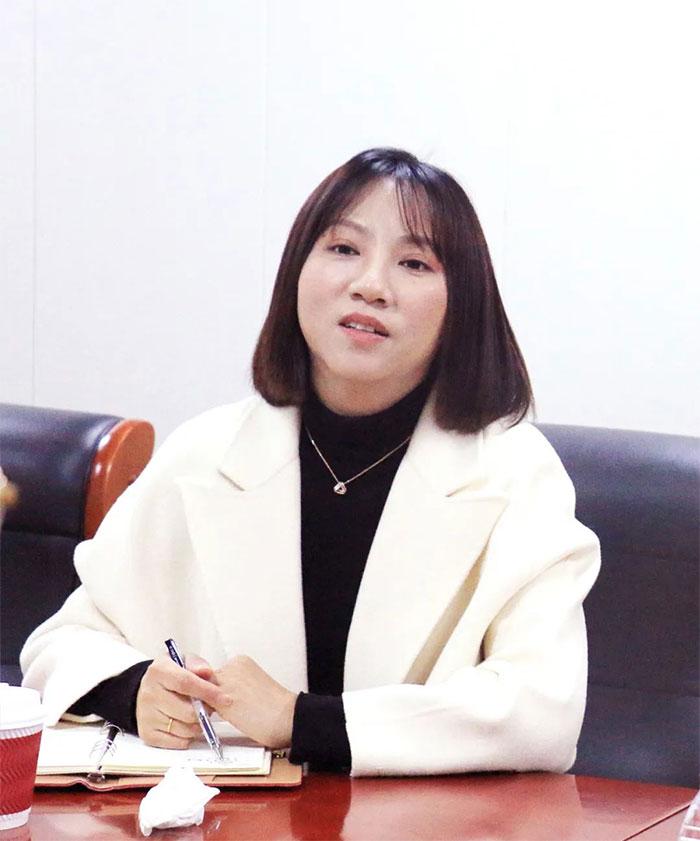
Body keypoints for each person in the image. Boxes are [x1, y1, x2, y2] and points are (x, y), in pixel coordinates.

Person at [21, 148, 600, 776]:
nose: (370, 285)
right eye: (344, 249)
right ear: (297, 272)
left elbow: (542, 711)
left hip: (428, 818)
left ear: (462, 303)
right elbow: (59, 645)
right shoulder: (206, 453)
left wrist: (302, 721)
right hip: (230, 817)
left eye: (413, 262)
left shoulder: (515, 471)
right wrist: (133, 689)